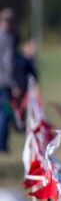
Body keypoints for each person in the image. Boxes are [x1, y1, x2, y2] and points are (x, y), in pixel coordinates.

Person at [0, 9, 21, 152]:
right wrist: (14, 84)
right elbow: (8, 64)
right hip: (5, 82)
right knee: (5, 114)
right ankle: (2, 145)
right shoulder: (7, 38)